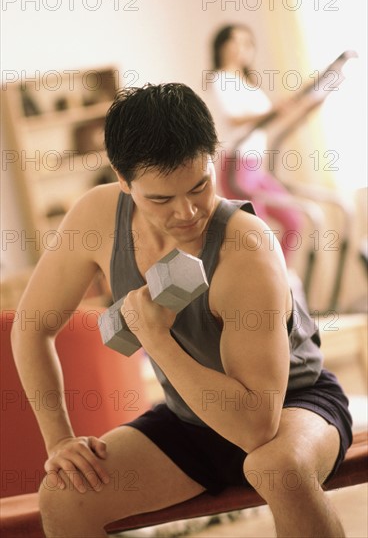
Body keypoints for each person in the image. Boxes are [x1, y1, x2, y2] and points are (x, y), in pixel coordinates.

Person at [11, 83, 352, 538]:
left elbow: (255, 427)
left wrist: (156, 340)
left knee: (278, 468)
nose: (188, 212)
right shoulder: (95, 218)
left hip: (291, 407)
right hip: (189, 416)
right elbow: (31, 327)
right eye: (160, 199)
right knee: (65, 493)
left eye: (200, 186)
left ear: (213, 158)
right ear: (121, 178)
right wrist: (59, 440)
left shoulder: (246, 247)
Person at [206, 24, 304, 263]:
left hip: (256, 166)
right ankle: (268, 280)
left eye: (248, 43)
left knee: (294, 221)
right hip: (237, 166)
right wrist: (271, 111)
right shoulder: (220, 79)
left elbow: (269, 118)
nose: (242, 48)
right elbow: (234, 118)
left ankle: (281, 276)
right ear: (221, 46)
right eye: (235, 41)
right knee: (260, 235)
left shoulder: (249, 83)